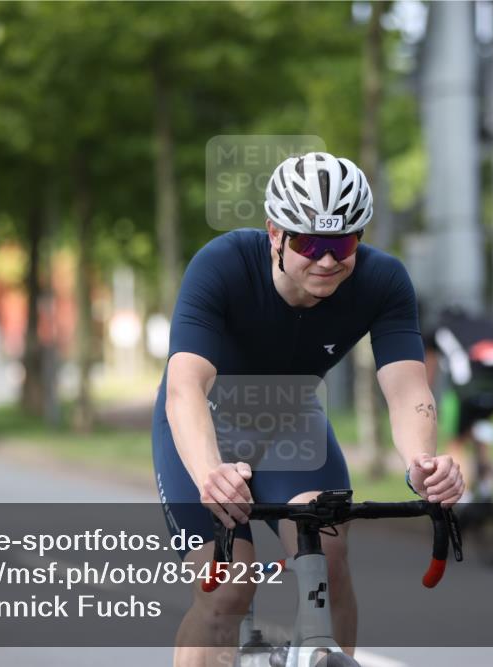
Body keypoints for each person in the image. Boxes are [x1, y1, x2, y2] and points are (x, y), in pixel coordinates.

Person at [153, 152, 464, 666]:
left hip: (288, 425)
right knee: (228, 589)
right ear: (275, 233)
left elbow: (408, 389)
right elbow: (185, 387)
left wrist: (422, 465)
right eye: (308, 243)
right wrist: (209, 473)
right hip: (203, 423)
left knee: (329, 553)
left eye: (340, 243)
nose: (325, 260)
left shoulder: (383, 281)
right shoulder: (222, 264)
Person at [423, 307, 493, 501]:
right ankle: (486, 488)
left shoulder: (438, 330)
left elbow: (430, 372)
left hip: (466, 391)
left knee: (456, 441)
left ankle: (464, 497)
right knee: (479, 431)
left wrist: (427, 398)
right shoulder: (484, 324)